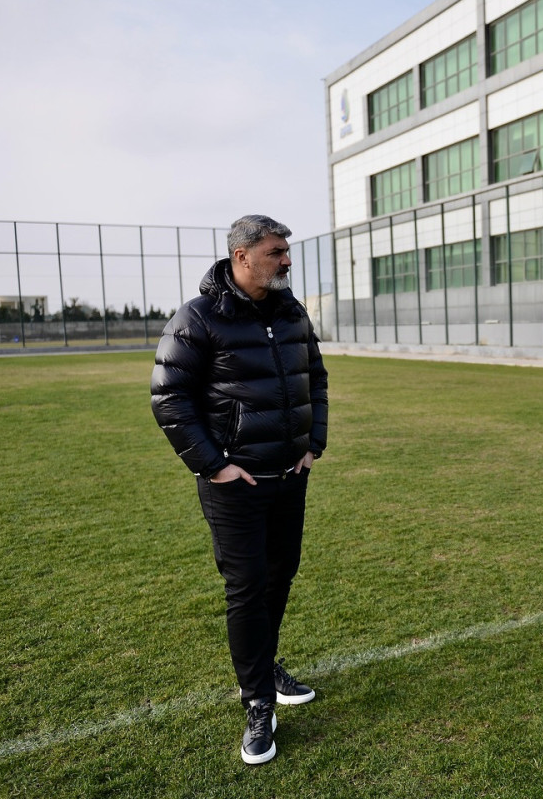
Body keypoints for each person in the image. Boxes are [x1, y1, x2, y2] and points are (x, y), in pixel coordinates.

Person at [151, 214, 328, 763]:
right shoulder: (199, 318)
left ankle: (265, 662)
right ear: (242, 256)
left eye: (286, 252)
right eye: (276, 252)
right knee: (247, 587)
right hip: (235, 485)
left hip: (288, 476)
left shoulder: (291, 310)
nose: (286, 261)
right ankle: (257, 702)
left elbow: (315, 377)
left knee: (280, 575)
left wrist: (312, 443)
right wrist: (213, 465)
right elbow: (168, 398)